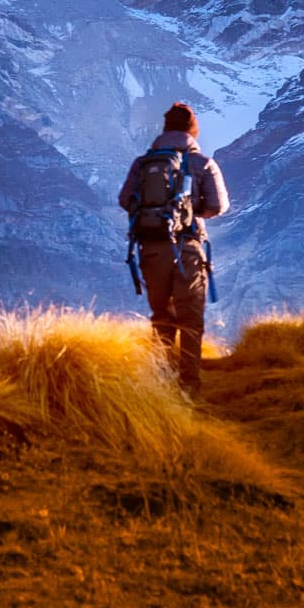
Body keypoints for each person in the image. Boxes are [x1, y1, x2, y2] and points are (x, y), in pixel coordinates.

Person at [118, 102, 229, 396]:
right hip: (187, 249)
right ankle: (189, 388)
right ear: (193, 129)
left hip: (151, 250)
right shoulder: (202, 162)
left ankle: (163, 387)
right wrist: (193, 211)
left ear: (165, 129)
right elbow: (218, 206)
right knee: (190, 319)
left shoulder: (142, 164)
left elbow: (125, 199)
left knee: (162, 318)